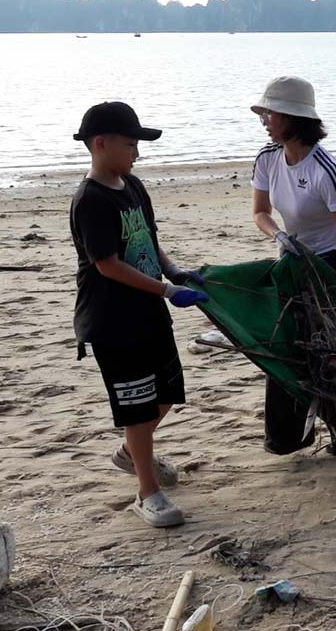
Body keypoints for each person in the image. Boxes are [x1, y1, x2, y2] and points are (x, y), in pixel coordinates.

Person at [69, 101, 209, 527]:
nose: (137, 153)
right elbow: (107, 263)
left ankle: (133, 452)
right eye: (131, 144)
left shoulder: (133, 186)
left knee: (165, 395)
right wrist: (167, 290)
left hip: (150, 313)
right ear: (100, 144)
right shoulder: (91, 200)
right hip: (115, 321)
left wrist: (173, 269)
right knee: (136, 406)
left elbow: (148, 239)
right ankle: (148, 492)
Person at [248, 75, 336, 454]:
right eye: (264, 114)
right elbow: (259, 212)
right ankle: (287, 436)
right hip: (293, 258)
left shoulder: (328, 171)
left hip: (334, 265)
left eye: (271, 113)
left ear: (294, 117)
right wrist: (278, 235)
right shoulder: (267, 159)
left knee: (328, 349)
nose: (265, 120)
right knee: (288, 343)